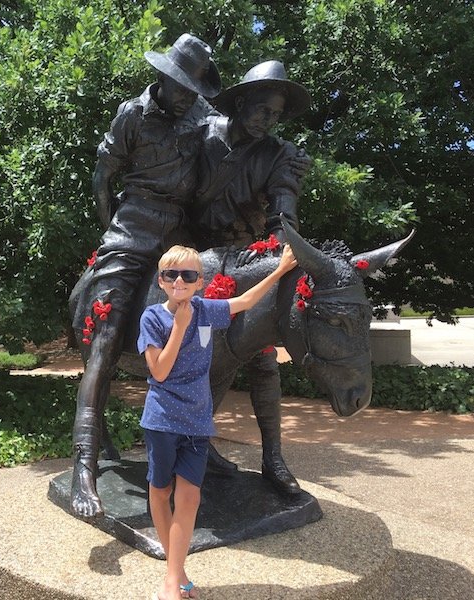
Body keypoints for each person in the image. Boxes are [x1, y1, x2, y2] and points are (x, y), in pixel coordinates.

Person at [70, 34, 222, 519]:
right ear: (163, 77)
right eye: (180, 86)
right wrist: (112, 229)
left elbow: (230, 144)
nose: (185, 96)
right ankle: (83, 468)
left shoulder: (200, 119)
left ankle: (199, 438)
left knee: (205, 329)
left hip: (180, 233)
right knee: (107, 336)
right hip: (132, 229)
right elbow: (103, 174)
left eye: (192, 90)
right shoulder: (131, 114)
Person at [139, 243, 298, 600]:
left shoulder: (206, 310)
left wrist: (281, 269)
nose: (179, 281)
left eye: (189, 275)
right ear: (162, 280)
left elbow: (244, 302)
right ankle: (177, 572)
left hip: (196, 421)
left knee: (190, 497)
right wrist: (180, 327)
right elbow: (159, 371)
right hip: (163, 419)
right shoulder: (152, 317)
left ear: (200, 282)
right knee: (161, 491)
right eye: (171, 275)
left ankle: (170, 580)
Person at [190, 60, 312, 494]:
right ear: (240, 101)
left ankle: (273, 459)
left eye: (277, 114)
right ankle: (191, 445)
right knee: (192, 350)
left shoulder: (280, 154)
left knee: (262, 358)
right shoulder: (200, 135)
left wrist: (285, 249)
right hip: (186, 251)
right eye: (262, 109)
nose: (268, 120)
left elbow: (283, 211)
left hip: (243, 256)